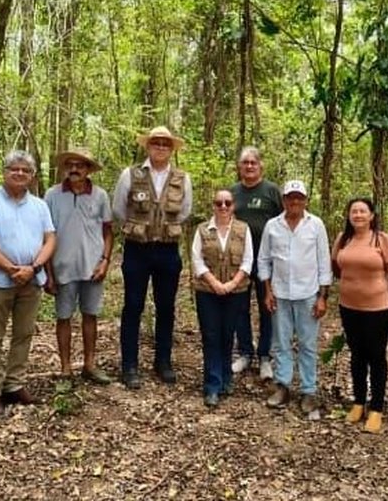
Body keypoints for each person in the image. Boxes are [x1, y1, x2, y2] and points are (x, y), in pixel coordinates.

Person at [0, 150, 56, 417]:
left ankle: (14, 384)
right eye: (13, 169)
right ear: (4, 171)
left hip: (31, 281)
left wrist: (34, 268)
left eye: (25, 170)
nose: (19, 173)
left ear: (32, 176)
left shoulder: (40, 206)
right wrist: (11, 268)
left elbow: (50, 239)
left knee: (24, 334)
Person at [112, 126, 193, 389]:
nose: (160, 147)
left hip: (167, 250)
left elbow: (184, 212)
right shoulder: (131, 174)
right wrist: (140, 227)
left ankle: (163, 361)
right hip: (137, 248)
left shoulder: (182, 178)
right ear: (148, 146)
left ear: (171, 149)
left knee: (166, 307)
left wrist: (162, 230)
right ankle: (130, 366)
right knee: (133, 306)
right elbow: (119, 209)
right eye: (156, 143)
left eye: (165, 144)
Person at [331, 198, 388, 433]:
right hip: (349, 307)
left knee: (376, 357)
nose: (358, 215)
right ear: (349, 215)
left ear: (371, 215)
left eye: (363, 211)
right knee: (356, 356)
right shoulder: (343, 239)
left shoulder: (382, 239)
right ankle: (358, 402)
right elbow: (336, 267)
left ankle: (376, 408)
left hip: (377, 309)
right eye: (354, 211)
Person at [257, 180, 331, 415]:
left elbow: (324, 261)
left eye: (299, 197)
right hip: (280, 293)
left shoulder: (315, 225)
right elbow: (264, 259)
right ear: (284, 200)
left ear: (306, 200)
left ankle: (308, 391)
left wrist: (322, 296)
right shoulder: (273, 225)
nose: (295, 201)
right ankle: (283, 385)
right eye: (291, 197)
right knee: (281, 343)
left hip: (308, 294)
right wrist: (267, 291)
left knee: (308, 344)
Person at [44, 147, 114, 384]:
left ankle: (89, 364)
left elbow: (107, 232)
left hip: (92, 267)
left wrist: (105, 261)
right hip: (62, 266)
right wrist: (48, 273)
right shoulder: (52, 195)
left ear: (88, 169)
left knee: (90, 315)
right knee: (63, 317)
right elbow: (45, 234)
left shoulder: (100, 195)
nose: (74, 169)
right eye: (70, 165)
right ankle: (65, 368)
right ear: (65, 168)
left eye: (80, 165)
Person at [191, 189, 253, 407]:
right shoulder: (201, 230)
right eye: (219, 203)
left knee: (228, 335)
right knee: (211, 336)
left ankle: (226, 377)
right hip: (208, 292)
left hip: (235, 292)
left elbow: (248, 260)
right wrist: (215, 283)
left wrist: (232, 283)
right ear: (213, 206)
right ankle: (212, 385)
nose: (223, 207)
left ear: (233, 206)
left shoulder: (243, 230)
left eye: (227, 203)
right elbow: (197, 261)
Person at [231, 146, 283, 380]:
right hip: (239, 260)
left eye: (253, 162)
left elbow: (285, 221)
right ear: (239, 167)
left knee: (267, 308)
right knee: (239, 307)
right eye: (245, 162)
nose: (249, 166)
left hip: (267, 260)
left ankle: (264, 356)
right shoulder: (232, 193)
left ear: (260, 165)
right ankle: (244, 352)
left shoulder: (272, 191)